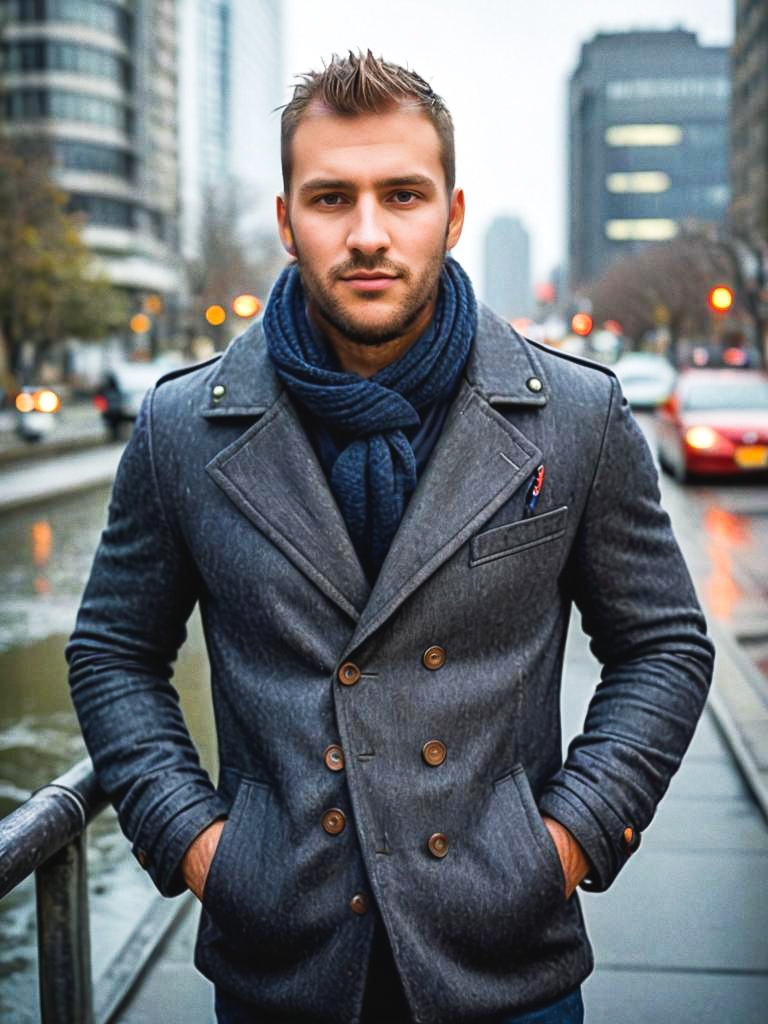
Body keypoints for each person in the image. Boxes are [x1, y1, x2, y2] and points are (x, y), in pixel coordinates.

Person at [67, 52, 714, 1024]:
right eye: (331, 198)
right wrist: (200, 844)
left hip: (505, 962)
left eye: (402, 194)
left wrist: (568, 837)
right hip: (280, 964)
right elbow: (113, 652)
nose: (368, 233)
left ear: (452, 215)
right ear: (287, 222)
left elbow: (664, 645)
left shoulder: (576, 416)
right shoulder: (181, 428)